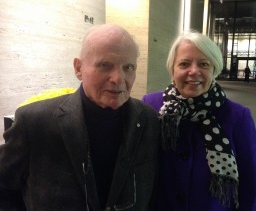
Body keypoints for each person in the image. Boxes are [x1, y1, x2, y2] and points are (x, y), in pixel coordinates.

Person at [0, 24, 160, 211]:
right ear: (78, 68)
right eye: (104, 65)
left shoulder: (149, 120)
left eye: (128, 67)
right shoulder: (35, 122)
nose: (118, 78)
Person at [142, 31, 256, 211]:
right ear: (172, 69)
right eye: (184, 64)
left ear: (214, 69)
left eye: (204, 64)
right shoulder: (151, 106)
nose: (194, 71)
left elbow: (251, 186)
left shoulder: (238, 117)